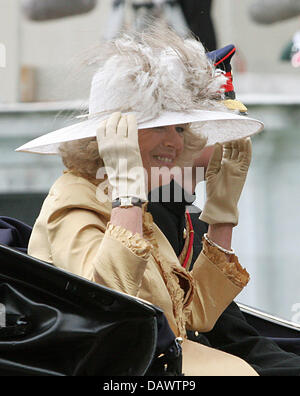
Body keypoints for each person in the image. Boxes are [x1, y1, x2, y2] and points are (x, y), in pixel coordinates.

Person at [18, 24, 263, 375]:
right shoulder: (74, 199)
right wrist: (128, 198)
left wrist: (223, 213)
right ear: (116, 133)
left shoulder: (137, 205)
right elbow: (108, 305)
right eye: (158, 126)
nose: (174, 143)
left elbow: (195, 316)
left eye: (179, 129)